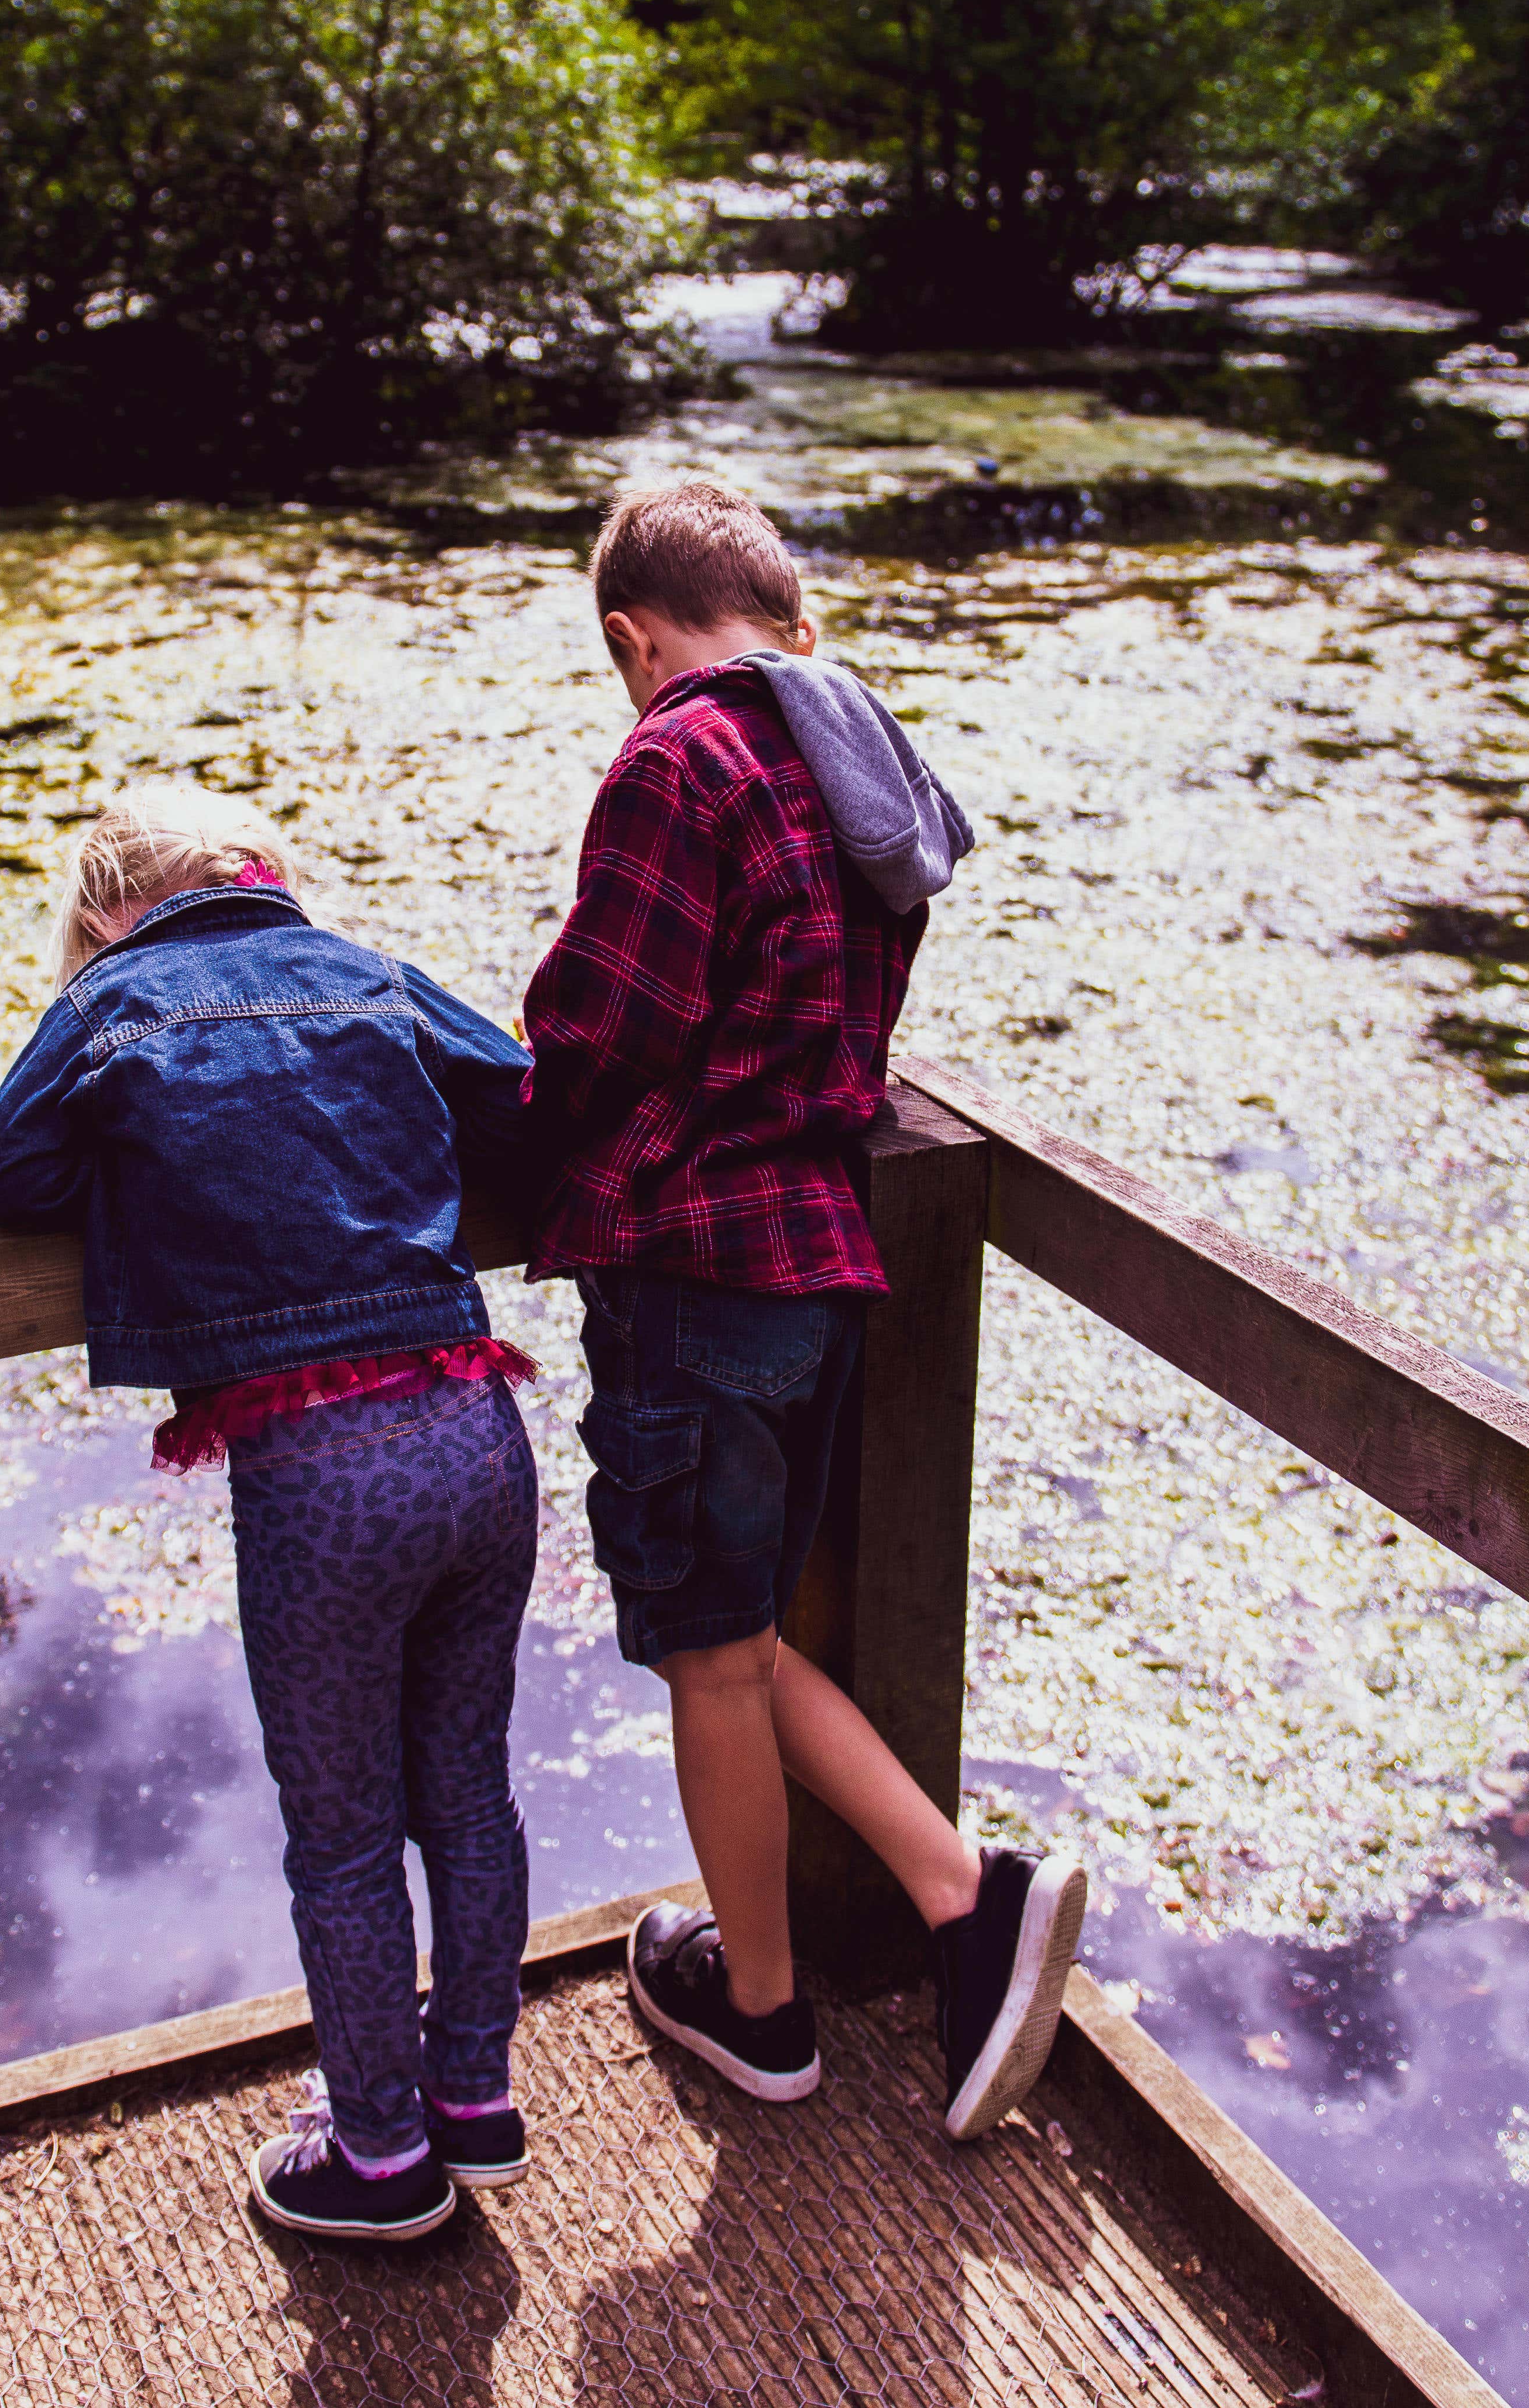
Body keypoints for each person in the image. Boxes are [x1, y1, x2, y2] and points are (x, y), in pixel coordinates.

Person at [524, 479, 1088, 2142]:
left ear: (635, 636)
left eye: (620, 662)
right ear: (792, 615)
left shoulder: (675, 756)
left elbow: (599, 1022)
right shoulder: (860, 755)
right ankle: (960, 1892)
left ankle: (762, 2012)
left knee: (706, 1659)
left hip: (695, 1269)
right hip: (821, 1257)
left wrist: (514, 1110)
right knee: (744, 1639)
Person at [0, 785, 544, 2244]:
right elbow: (527, 1103)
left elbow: (12, 1173)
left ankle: (376, 2157)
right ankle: (472, 2100)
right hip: (475, 1424)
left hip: (322, 1466)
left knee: (343, 1834)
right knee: (466, 1788)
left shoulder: (112, 1003)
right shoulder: (365, 968)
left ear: (106, 910)